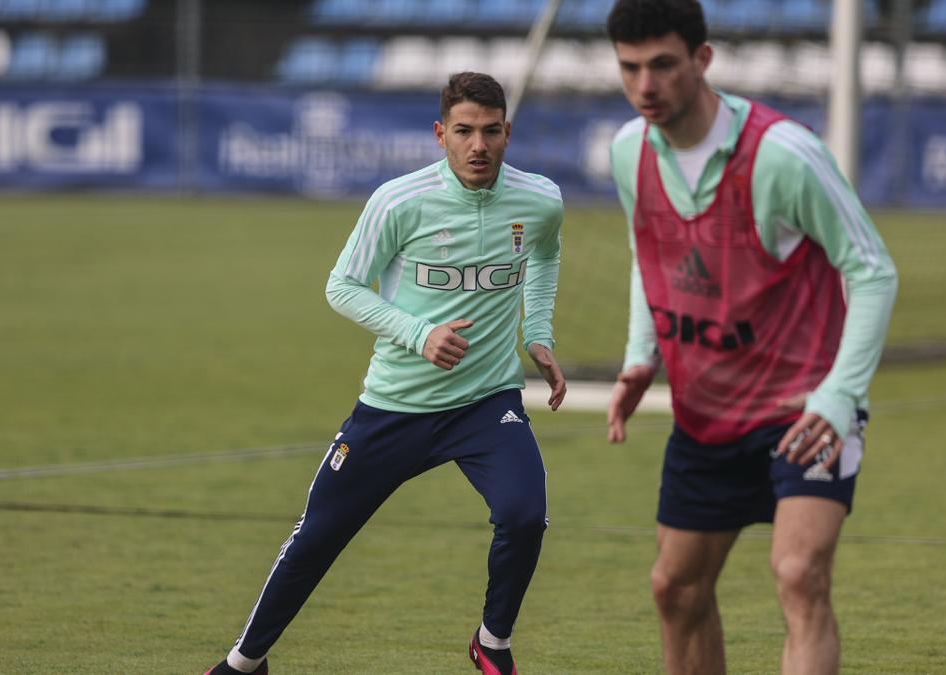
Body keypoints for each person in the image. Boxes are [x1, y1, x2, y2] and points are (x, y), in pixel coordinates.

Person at [204, 71, 566, 675]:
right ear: (439, 134)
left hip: (486, 400)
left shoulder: (540, 200)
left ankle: (492, 643)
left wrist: (538, 334)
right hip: (396, 405)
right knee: (318, 535)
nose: (478, 145)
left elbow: (546, 256)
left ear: (508, 132)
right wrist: (419, 334)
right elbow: (341, 286)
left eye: (491, 131)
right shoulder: (399, 200)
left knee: (526, 515)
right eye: (464, 131)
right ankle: (246, 662)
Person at [602, 1, 898, 673]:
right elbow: (648, 252)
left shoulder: (783, 155)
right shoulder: (629, 152)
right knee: (674, 589)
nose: (645, 85)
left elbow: (874, 269)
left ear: (703, 60)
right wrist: (641, 356)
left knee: (798, 573)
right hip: (708, 414)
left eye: (662, 65)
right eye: (629, 68)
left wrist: (840, 395)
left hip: (807, 410)